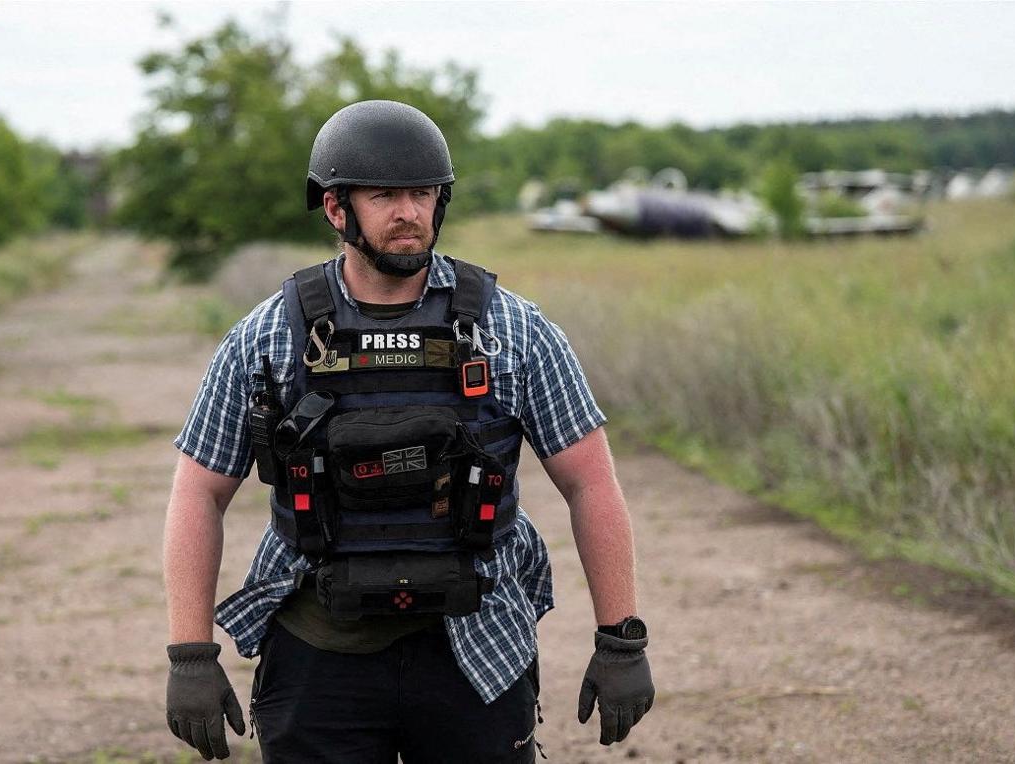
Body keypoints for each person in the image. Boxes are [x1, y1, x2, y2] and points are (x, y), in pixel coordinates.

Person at [163, 100, 654, 763]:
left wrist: (620, 638)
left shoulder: (514, 329)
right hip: (319, 649)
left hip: (478, 646)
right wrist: (191, 655)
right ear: (337, 209)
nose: (409, 211)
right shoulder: (268, 334)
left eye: (423, 192)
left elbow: (590, 483)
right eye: (385, 194)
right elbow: (198, 491)